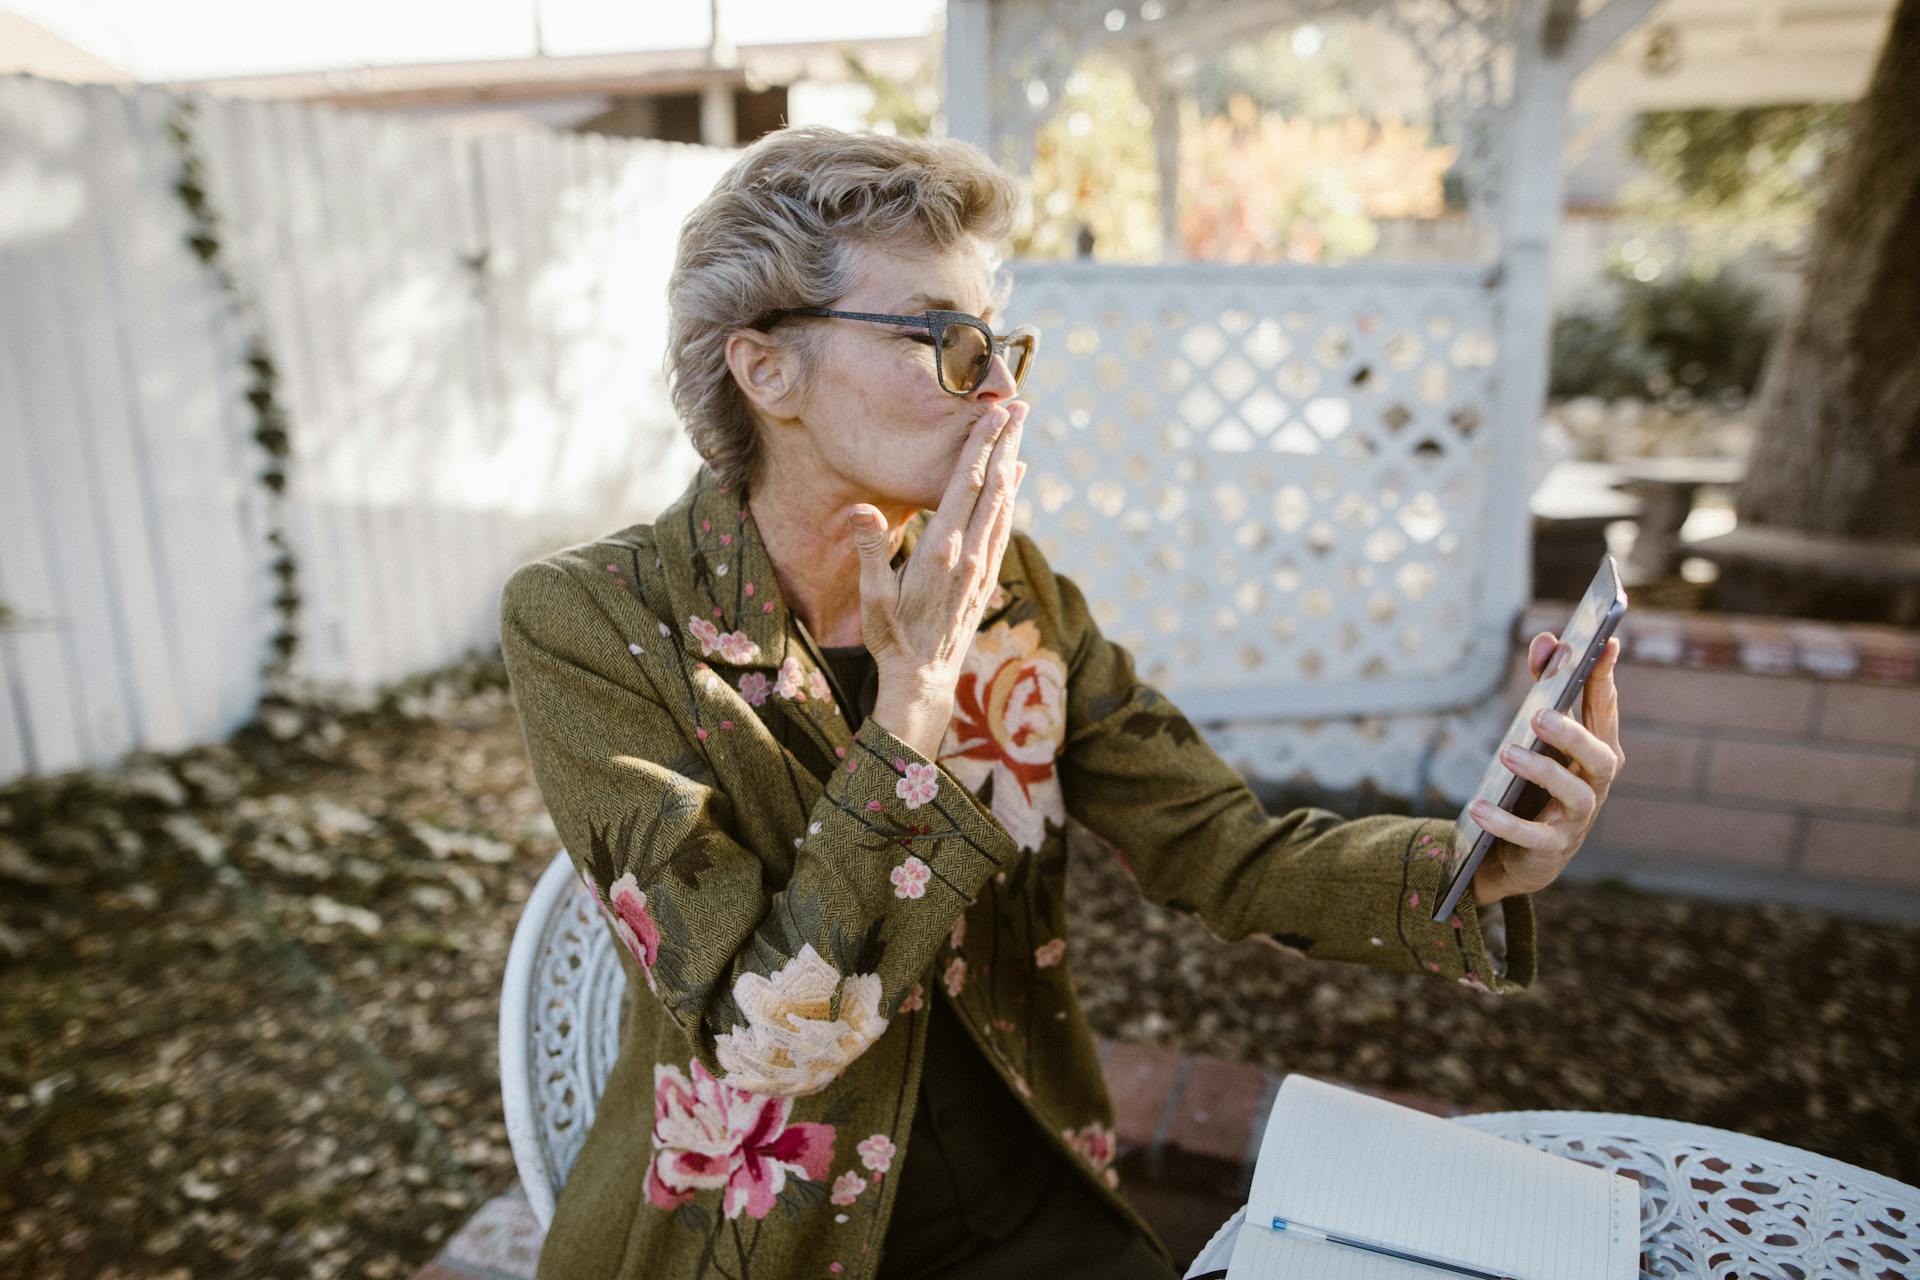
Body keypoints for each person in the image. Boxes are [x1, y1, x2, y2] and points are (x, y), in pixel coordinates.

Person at [497, 125, 1625, 1280]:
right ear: (767, 368)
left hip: (1032, 1211)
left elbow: (1219, 845)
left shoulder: (1013, 594)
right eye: (946, 340)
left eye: (1001, 347)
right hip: (762, 1242)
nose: (1000, 394)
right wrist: (917, 698)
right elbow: (763, 1039)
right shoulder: (593, 624)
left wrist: (1476, 861)